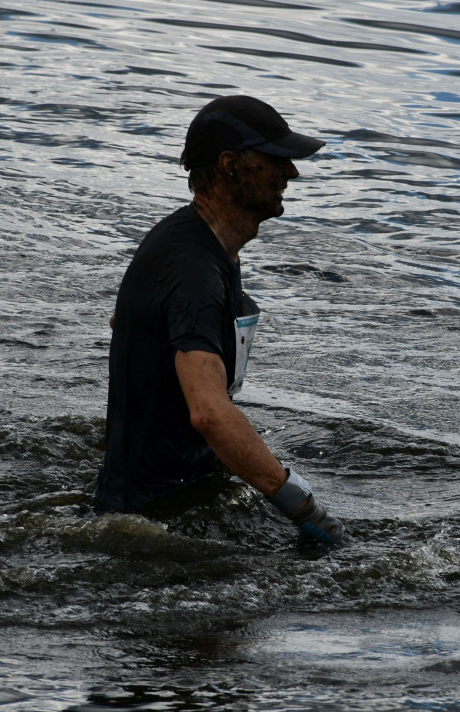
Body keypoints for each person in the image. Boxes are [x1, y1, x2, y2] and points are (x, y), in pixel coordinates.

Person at [94, 95, 345, 546]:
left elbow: (126, 321)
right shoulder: (192, 270)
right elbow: (209, 413)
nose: (292, 173)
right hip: (149, 521)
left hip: (181, 496)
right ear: (230, 165)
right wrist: (305, 507)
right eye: (277, 159)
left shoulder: (200, 247)